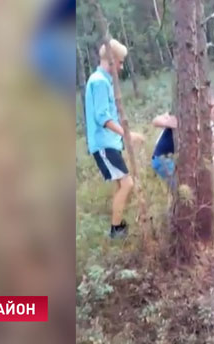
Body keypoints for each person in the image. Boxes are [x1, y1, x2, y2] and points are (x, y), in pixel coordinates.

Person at [84, 39, 134, 239]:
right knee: (127, 183)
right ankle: (115, 230)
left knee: (120, 184)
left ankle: (118, 224)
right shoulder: (99, 81)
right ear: (111, 59)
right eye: (120, 62)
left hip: (110, 143)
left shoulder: (104, 80)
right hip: (103, 143)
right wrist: (126, 134)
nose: (121, 67)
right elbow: (102, 117)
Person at [150, 98, 214, 187]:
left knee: (194, 186)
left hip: (178, 160)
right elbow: (156, 120)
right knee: (182, 190)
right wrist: (167, 122)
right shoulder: (188, 118)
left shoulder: (206, 124)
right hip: (163, 159)